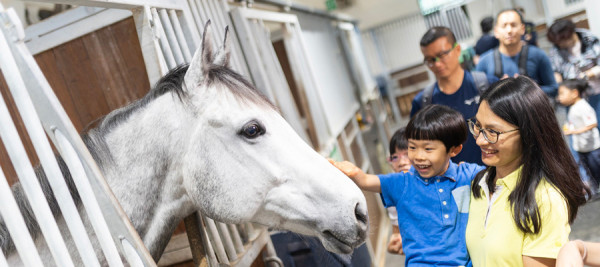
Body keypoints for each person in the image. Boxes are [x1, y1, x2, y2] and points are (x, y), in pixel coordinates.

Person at [331, 104, 485, 266]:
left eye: (428, 149)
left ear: (453, 150)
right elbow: (366, 180)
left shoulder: (468, 175)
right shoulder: (402, 182)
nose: (418, 156)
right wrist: (351, 171)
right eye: (412, 147)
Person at [465, 76, 590, 266]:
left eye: (493, 132)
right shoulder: (479, 183)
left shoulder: (545, 199)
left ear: (528, 132)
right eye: (478, 127)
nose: (480, 140)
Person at [411, 26, 496, 165]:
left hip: (495, 176)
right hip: (450, 184)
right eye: (430, 60)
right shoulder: (423, 103)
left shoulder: (487, 86)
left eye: (442, 55)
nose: (437, 64)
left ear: (457, 50)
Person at [476, 9, 558, 98]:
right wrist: (498, 91)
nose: (509, 30)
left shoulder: (538, 55)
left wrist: (526, 90)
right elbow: (478, 96)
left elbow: (553, 89)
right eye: (504, 26)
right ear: (496, 31)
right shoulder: (484, 61)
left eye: (513, 25)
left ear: (522, 29)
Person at [547, 19, 600, 131]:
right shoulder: (556, 50)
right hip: (573, 98)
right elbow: (556, 71)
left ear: (569, 34)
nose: (560, 44)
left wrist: (589, 73)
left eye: (561, 41)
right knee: (578, 130)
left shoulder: (589, 39)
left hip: (595, 91)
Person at [557, 79, 600, 193]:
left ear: (574, 93)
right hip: (581, 146)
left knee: (595, 167)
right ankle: (594, 190)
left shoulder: (583, 107)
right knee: (588, 169)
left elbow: (593, 124)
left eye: (562, 93)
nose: (559, 97)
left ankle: (595, 188)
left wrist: (574, 132)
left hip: (592, 147)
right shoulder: (573, 107)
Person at [384, 128, 410, 255]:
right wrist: (396, 242)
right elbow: (396, 231)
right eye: (395, 157)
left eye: (407, 154)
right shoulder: (393, 192)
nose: (401, 162)